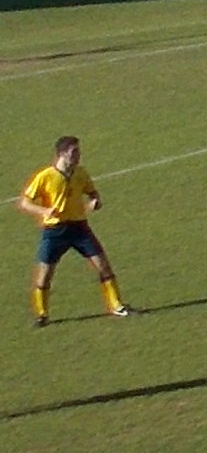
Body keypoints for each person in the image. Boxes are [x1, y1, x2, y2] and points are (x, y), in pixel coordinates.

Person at [18, 137, 130, 326]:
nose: (78, 156)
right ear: (61, 154)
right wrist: (44, 211)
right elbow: (25, 203)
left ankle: (117, 306)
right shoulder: (45, 176)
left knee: (103, 266)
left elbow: (92, 192)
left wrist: (95, 201)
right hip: (54, 231)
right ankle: (42, 315)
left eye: (78, 152)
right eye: (74, 153)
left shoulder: (81, 173)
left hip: (79, 228)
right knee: (44, 275)